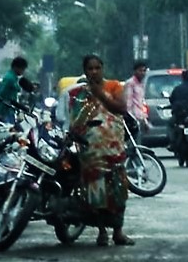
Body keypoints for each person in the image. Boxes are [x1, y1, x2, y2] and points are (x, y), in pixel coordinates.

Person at [67, 54, 134, 246]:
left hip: (113, 148)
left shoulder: (114, 86)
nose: (94, 71)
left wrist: (101, 94)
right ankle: (102, 232)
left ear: (102, 68)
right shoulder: (79, 93)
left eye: (97, 68)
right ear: (85, 71)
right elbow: (75, 121)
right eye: (90, 68)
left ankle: (118, 232)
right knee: (96, 193)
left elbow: (121, 108)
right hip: (90, 151)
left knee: (118, 189)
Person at [0, 57, 29, 124]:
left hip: (10, 111)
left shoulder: (14, 78)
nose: (23, 71)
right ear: (16, 67)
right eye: (22, 69)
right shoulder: (9, 78)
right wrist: (0, 112)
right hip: (4, 112)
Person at [123, 61, 148, 134]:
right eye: (140, 70)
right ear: (135, 71)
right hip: (133, 120)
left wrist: (145, 121)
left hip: (140, 119)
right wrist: (131, 120)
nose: (142, 73)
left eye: (144, 71)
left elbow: (141, 103)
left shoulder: (141, 84)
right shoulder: (130, 83)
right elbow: (128, 103)